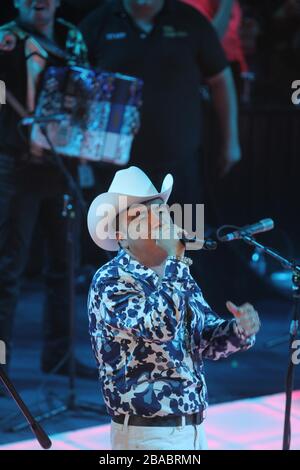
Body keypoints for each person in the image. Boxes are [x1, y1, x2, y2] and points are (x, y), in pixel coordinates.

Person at [87, 166, 261, 450]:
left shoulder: (176, 274)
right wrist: (178, 264)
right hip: (146, 435)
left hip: (192, 429)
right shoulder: (111, 280)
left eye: (159, 209)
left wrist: (238, 330)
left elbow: (203, 341)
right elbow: (159, 328)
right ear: (120, 234)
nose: (155, 217)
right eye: (138, 215)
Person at [0, 0, 95, 378]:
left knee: (65, 264)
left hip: (60, 164)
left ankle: (59, 357)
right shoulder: (5, 39)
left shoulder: (71, 37)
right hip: (14, 164)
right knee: (8, 267)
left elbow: (89, 93)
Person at [80, 0, 241, 205]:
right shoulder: (97, 22)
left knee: (186, 235)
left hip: (179, 162)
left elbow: (220, 80)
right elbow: (77, 87)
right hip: (114, 166)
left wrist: (231, 142)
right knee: (117, 236)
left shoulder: (190, 20)